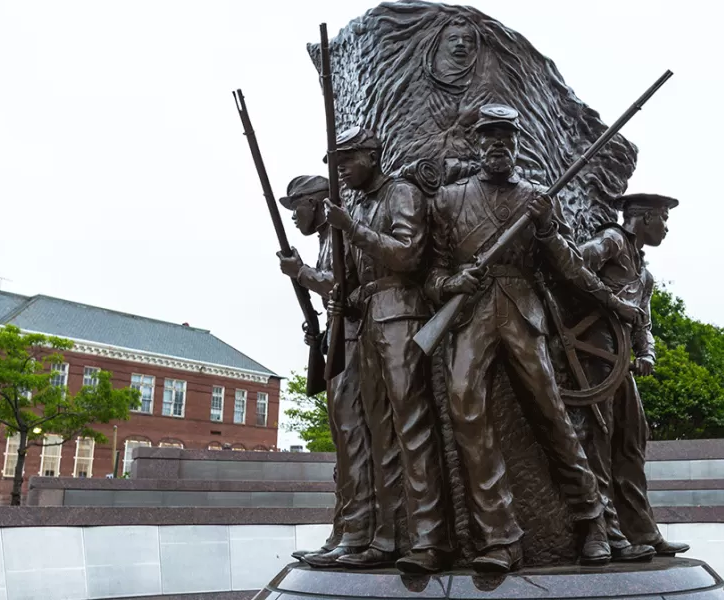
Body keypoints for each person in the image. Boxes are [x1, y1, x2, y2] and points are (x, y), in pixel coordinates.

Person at [425, 103, 643, 572]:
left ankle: (594, 522)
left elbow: (567, 266)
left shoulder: (538, 197)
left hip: (523, 312)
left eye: (507, 138)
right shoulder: (447, 200)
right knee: (465, 409)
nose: (498, 145)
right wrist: (450, 283)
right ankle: (500, 537)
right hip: (470, 313)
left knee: (552, 414)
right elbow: (434, 273)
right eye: (490, 137)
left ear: (517, 144)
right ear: (477, 143)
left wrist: (546, 228)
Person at [321, 127, 453, 573]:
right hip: (370, 318)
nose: (340, 170)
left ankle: (431, 539)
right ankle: (388, 536)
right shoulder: (358, 205)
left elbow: (408, 255)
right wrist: (346, 292)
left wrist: (352, 230)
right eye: (335, 163)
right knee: (381, 435)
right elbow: (357, 277)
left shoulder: (401, 193)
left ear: (372, 156)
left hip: (402, 314)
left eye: (347, 160)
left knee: (412, 426)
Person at [275, 175, 391, 568]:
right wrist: (320, 334)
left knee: (354, 437)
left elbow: (347, 287)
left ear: (317, 203)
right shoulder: (327, 240)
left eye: (297, 206)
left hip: (357, 341)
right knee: (344, 442)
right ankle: (344, 530)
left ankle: (357, 534)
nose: (294, 217)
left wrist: (302, 273)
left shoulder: (340, 236)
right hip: (340, 340)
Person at [575, 192, 691, 558]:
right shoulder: (611, 241)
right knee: (598, 441)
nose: (666, 228)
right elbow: (574, 264)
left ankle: (643, 531)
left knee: (632, 443)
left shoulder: (645, 275)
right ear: (644, 217)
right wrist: (611, 302)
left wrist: (648, 353)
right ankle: (608, 535)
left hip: (620, 362)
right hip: (593, 357)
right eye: (663, 219)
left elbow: (644, 325)